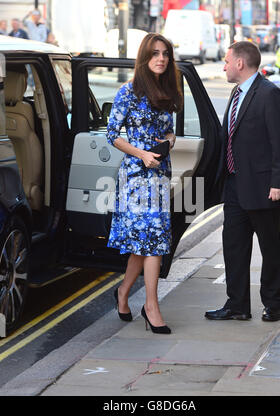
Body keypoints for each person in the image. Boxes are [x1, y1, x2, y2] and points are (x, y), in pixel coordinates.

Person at [205, 41, 280, 323]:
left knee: (269, 246)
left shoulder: (269, 94)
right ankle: (237, 305)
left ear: (240, 63)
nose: (224, 66)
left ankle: (273, 303)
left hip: (265, 188)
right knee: (233, 246)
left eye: (227, 61)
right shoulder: (236, 92)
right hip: (234, 185)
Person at [106, 33, 183, 334]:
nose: (161, 58)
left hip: (160, 174)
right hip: (137, 178)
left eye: (165, 53)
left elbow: (170, 132)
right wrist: (141, 154)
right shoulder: (129, 91)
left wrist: (169, 141)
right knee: (154, 242)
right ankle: (151, 306)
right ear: (144, 57)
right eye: (155, 53)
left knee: (145, 243)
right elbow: (112, 134)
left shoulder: (167, 91)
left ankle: (123, 293)